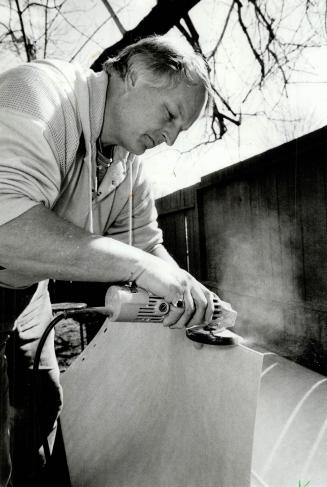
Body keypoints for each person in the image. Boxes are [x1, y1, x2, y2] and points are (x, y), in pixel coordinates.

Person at [0, 36, 217, 486]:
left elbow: (147, 246)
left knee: (41, 402)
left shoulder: (127, 163)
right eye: (172, 114)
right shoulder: (38, 93)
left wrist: (187, 290)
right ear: (134, 71)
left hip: (27, 288)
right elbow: (6, 228)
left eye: (181, 131)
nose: (171, 138)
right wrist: (139, 267)